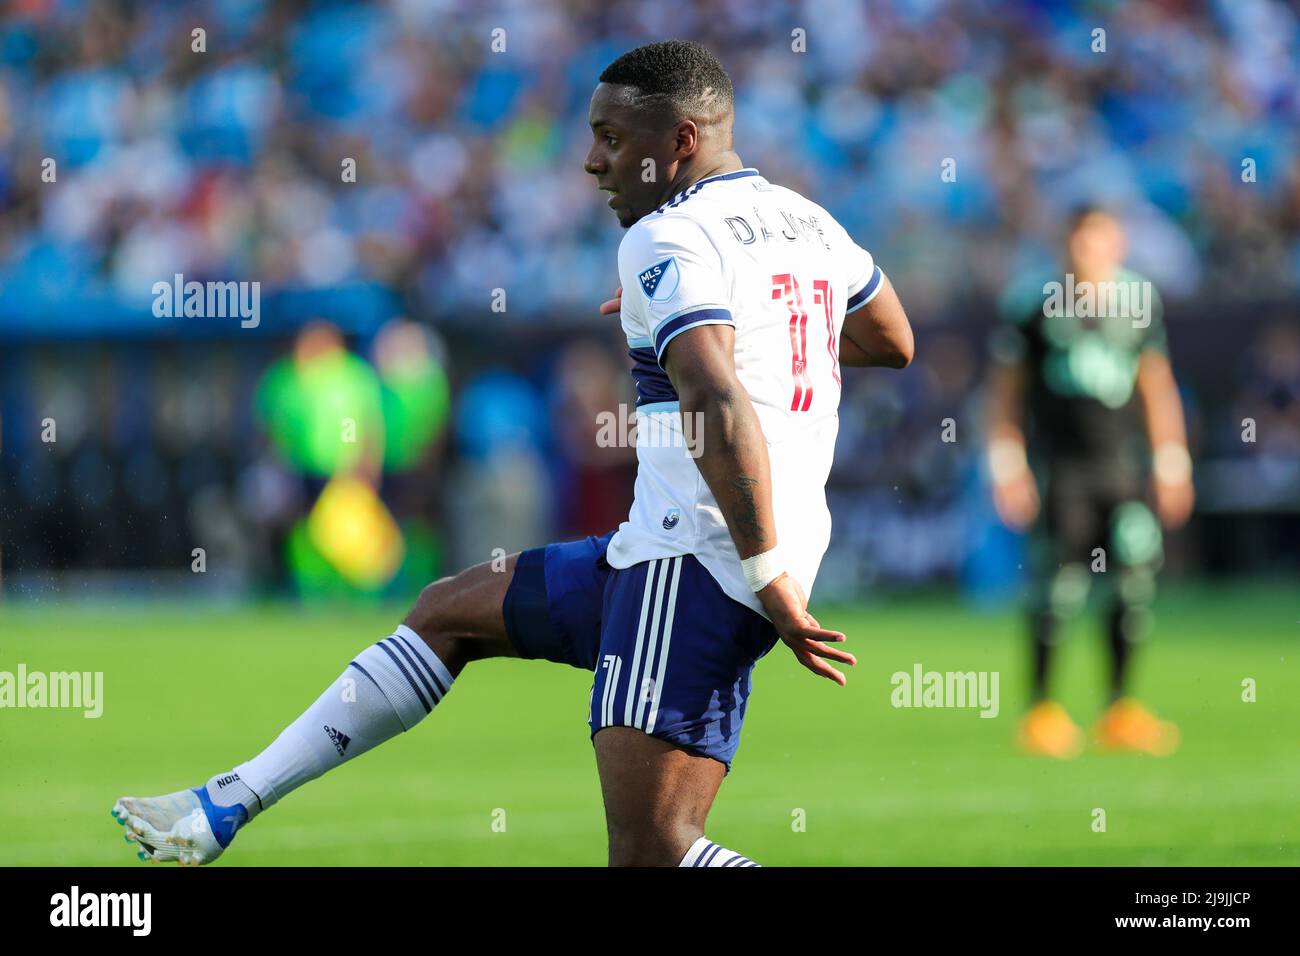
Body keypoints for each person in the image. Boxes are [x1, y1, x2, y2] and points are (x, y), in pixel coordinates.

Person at [111, 39, 913, 867]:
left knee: (656, 853)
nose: (592, 162)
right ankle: (227, 803)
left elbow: (716, 401)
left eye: (611, 137)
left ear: (680, 140)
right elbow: (893, 340)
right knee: (448, 613)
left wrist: (764, 570)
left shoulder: (667, 237)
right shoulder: (807, 220)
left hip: (700, 560)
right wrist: (717, 329)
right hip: (674, 552)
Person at [985, 207, 1193, 759]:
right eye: (1080, 240)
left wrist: (1172, 460)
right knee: (1060, 586)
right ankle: (1042, 709)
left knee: (1133, 582)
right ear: (1065, 244)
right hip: (1063, 468)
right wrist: (1008, 464)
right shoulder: (1034, 303)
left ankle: (1120, 708)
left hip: (1122, 468)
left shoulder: (1140, 301)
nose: (1089, 251)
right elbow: (1005, 390)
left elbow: (1156, 381)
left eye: (1100, 239)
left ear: (1118, 244)